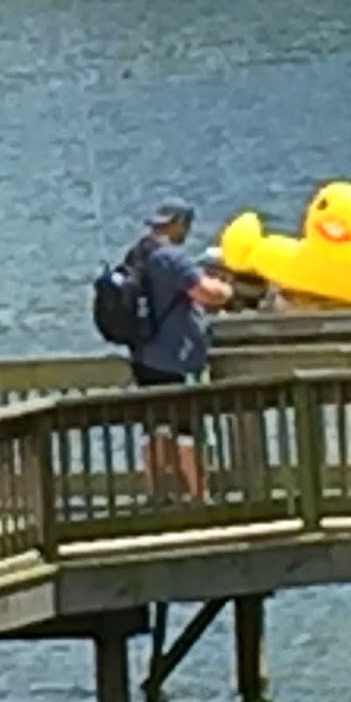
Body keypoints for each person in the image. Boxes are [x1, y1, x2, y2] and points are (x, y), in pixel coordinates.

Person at [124, 199, 233, 501]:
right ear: (177, 224)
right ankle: (200, 497)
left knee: (154, 428)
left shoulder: (137, 254)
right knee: (187, 432)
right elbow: (208, 294)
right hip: (176, 359)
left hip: (144, 356)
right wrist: (229, 289)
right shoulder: (171, 258)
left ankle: (156, 496)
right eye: (185, 224)